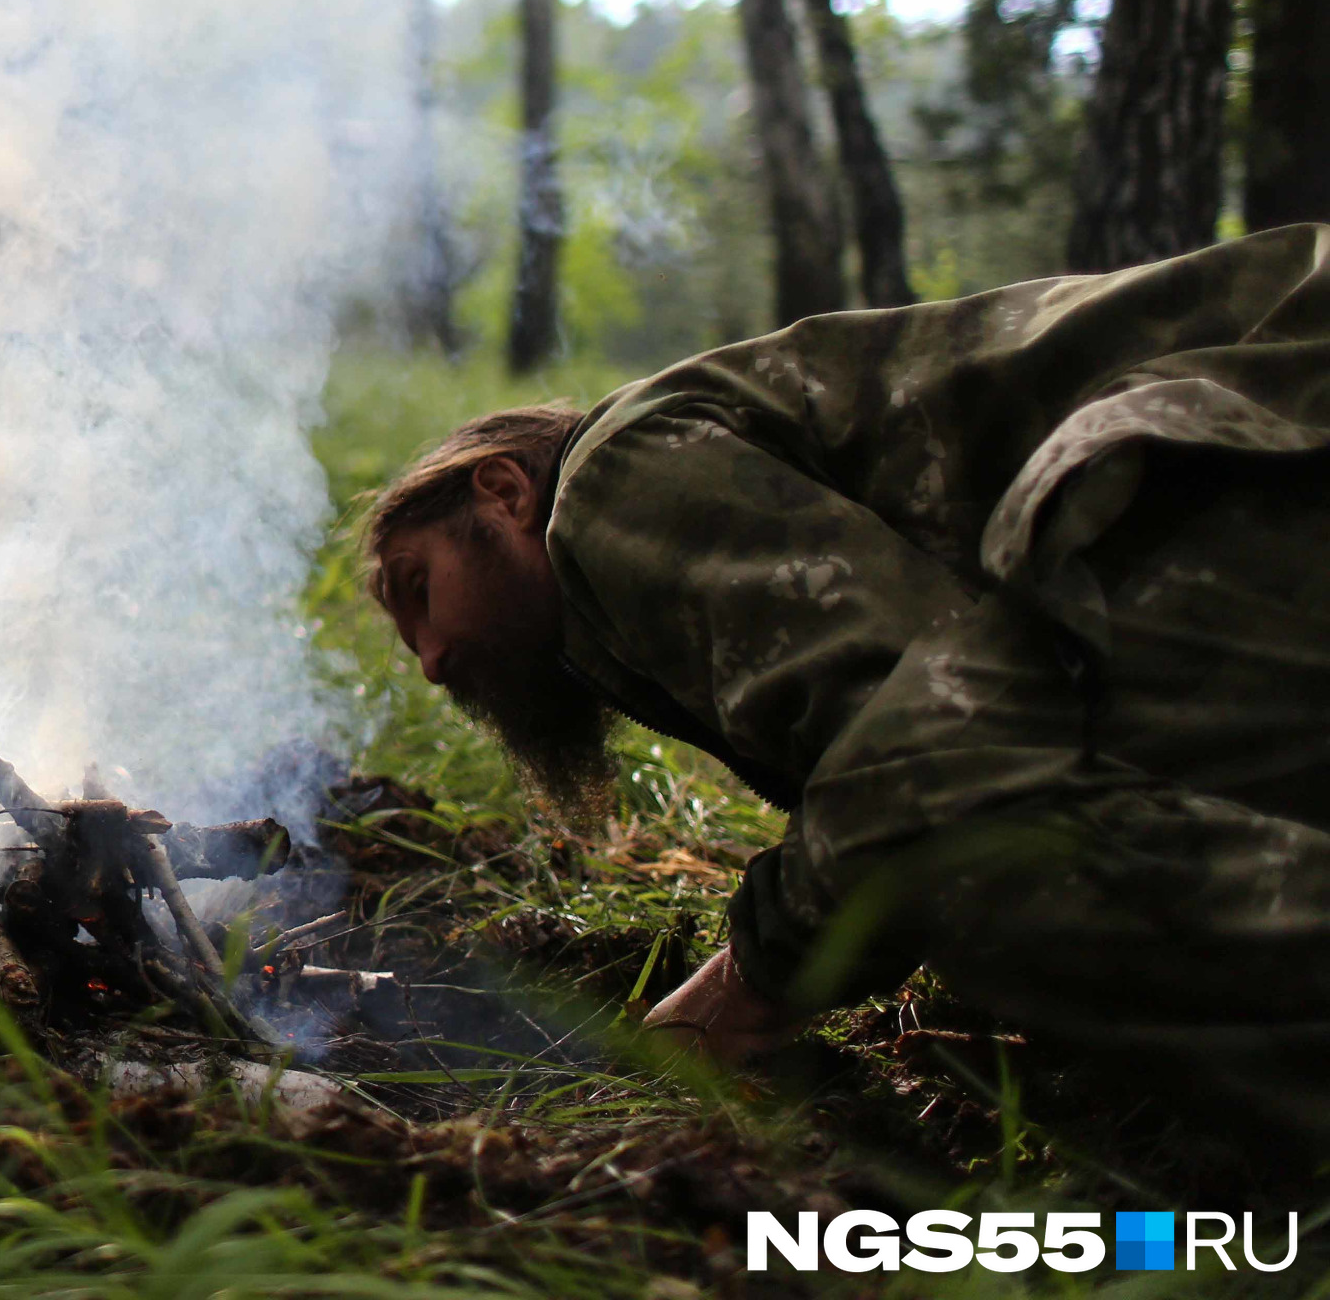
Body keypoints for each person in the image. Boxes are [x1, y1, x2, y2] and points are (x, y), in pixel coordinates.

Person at [362, 225, 1330, 1149]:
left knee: (986, 869)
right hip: (1249, 457)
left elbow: (927, 746)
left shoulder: (608, 479)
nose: (437, 658)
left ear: (503, 490)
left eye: (421, 589)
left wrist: (744, 985)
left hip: (1251, 445)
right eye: (414, 649)